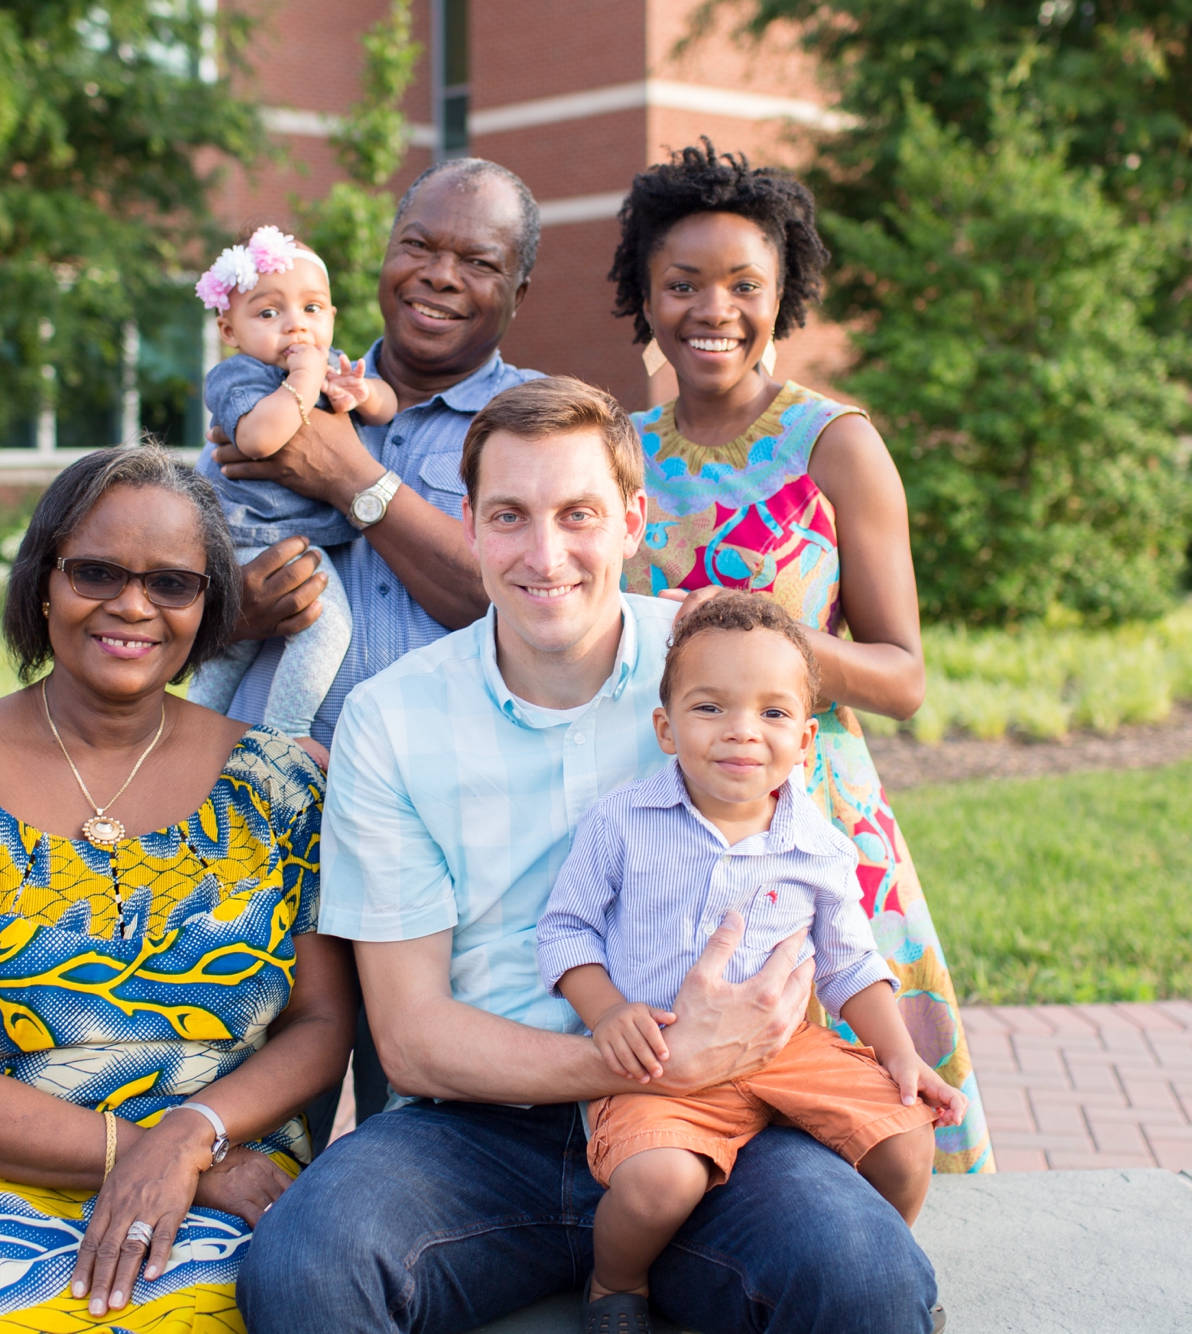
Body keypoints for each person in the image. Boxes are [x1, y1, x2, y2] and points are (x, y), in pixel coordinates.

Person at [239, 378, 941, 1334]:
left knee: (868, 1278)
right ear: (472, 527)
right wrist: (657, 1061)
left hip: (720, 1115)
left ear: (631, 521)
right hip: (480, 1131)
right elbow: (410, 1037)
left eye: (579, 514)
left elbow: (800, 910)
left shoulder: (719, 672)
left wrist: (741, 1056)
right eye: (510, 517)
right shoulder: (390, 721)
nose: (545, 553)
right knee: (301, 1271)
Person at [0, 446, 356, 1334]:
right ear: (43, 582)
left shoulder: (281, 787)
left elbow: (324, 1023)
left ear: (209, 604)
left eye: (172, 583)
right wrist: (154, 1154)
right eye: (97, 572)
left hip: (227, 1177)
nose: (133, 605)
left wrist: (192, 1140)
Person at [610, 140, 993, 1173]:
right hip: (665, 810)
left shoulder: (834, 442)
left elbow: (901, 675)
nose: (711, 310)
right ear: (642, 295)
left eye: (743, 285)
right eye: (680, 284)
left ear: (784, 296)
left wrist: (754, 642)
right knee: (683, 1100)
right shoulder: (618, 449)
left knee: (843, 1110)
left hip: (810, 808)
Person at [208, 157, 544, 1127]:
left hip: (446, 841)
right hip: (267, 823)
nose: (438, 274)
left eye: (475, 260)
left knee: (422, 1129)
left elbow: (527, 611)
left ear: (516, 289)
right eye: (417, 246)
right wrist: (239, 610)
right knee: (265, 1121)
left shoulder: (533, 424)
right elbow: (174, 583)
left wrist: (349, 475)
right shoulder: (269, 387)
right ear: (383, 259)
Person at [538, 591, 967, 1333]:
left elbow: (849, 964)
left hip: (785, 1051)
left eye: (772, 714)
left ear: (805, 743)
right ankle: (617, 1285)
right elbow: (567, 930)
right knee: (654, 1186)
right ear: (666, 729)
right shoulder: (622, 824)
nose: (742, 732)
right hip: (661, 1060)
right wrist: (608, 1014)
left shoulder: (819, 846)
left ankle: (887, 1267)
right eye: (711, 709)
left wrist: (901, 1056)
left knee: (905, 1137)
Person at [187, 225, 398, 740]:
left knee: (232, 651)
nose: (294, 327)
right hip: (248, 536)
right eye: (267, 313)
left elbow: (388, 405)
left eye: (311, 309)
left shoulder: (322, 365)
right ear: (229, 330)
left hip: (282, 536)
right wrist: (306, 380)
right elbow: (260, 438)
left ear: (331, 317)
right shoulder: (238, 377)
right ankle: (286, 731)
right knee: (324, 625)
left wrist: (360, 394)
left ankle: (194, 736)